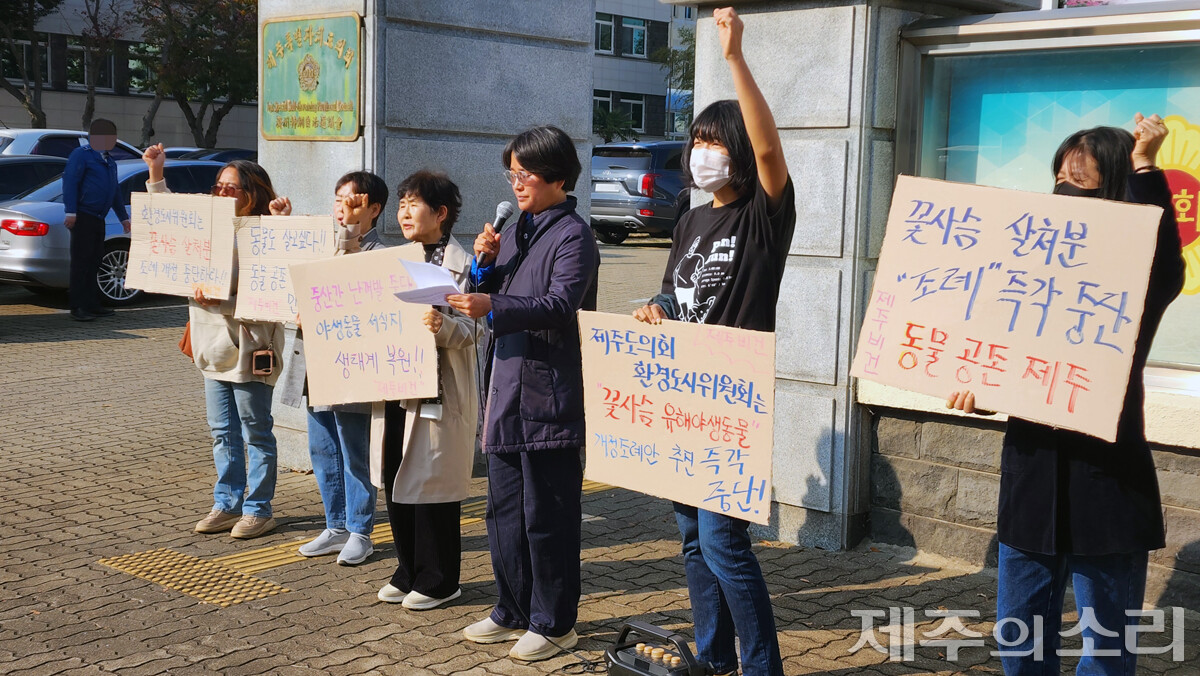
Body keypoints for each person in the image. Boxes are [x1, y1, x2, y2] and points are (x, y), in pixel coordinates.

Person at [948, 114, 1183, 676]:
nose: (1062, 192)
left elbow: (1166, 260)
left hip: (1107, 486)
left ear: (1114, 193)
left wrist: (1147, 166)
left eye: (1080, 181)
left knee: (1105, 652)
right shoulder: (1024, 277)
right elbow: (998, 357)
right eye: (1057, 179)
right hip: (1031, 483)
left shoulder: (1135, 282)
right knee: (1020, 648)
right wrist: (978, 385)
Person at [631, 8, 794, 676]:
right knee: (693, 540)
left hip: (732, 395)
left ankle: (761, 667)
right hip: (683, 394)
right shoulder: (692, 218)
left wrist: (734, 57)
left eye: (712, 140)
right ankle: (713, 657)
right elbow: (678, 292)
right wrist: (655, 307)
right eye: (694, 141)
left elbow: (768, 154)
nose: (701, 153)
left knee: (726, 542)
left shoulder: (764, 215)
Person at [445, 125, 599, 662]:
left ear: (557, 175)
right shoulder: (515, 229)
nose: (516, 183)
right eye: (511, 173)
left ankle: (555, 622)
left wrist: (495, 307)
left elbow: (560, 305)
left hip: (548, 393)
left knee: (548, 515)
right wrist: (483, 263)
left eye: (526, 173)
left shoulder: (574, 235)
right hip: (504, 387)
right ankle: (511, 609)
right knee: (503, 510)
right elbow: (481, 291)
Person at [142, 143, 287, 540]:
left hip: (248, 347)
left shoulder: (262, 232)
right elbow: (170, 220)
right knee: (222, 431)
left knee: (255, 431)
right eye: (219, 186)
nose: (222, 193)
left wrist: (225, 299)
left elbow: (273, 293)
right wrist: (156, 173)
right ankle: (227, 502)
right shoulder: (207, 224)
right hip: (210, 347)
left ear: (253, 192)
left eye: (232, 188)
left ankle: (259, 509)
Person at [370, 170, 480, 610]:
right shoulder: (389, 261)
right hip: (394, 383)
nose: (404, 213)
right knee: (395, 477)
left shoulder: (463, 264)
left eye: (413, 204)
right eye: (401, 204)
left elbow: (475, 329)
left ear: (441, 213)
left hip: (437, 389)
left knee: (432, 484)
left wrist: (442, 326)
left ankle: (439, 580)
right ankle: (408, 568)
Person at [278, 171, 388, 565]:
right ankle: (335, 525)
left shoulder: (381, 254)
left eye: (353, 201)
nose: (342, 208)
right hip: (315, 365)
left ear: (374, 209)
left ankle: (361, 530)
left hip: (352, 369)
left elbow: (355, 292)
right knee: (322, 449)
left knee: (354, 451)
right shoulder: (321, 246)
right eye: (338, 199)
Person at [62, 119, 131, 321]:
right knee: (81, 262)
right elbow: (70, 182)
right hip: (83, 215)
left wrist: (123, 218)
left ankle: (92, 304)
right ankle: (78, 306)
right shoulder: (81, 155)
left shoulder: (110, 161)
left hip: (99, 217)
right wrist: (71, 211)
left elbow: (114, 191)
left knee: (95, 261)